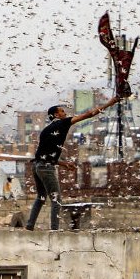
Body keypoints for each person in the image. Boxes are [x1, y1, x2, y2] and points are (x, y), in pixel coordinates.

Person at [25, 95, 121, 230]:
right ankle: (54, 231)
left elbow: (45, 155)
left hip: (37, 166)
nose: (65, 113)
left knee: (41, 197)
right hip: (46, 168)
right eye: (62, 111)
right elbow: (89, 114)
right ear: (56, 115)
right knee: (56, 200)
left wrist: (64, 164)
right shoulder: (63, 123)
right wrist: (110, 103)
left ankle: (29, 226)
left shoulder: (45, 131)